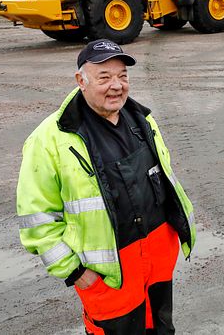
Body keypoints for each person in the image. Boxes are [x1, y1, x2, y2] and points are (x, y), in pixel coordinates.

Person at [16, 38, 196, 334]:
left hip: (157, 267)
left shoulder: (142, 120)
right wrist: (76, 273)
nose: (116, 85)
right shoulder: (49, 140)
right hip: (108, 277)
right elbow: (37, 221)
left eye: (122, 76)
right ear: (81, 80)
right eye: (104, 77)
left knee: (161, 329)